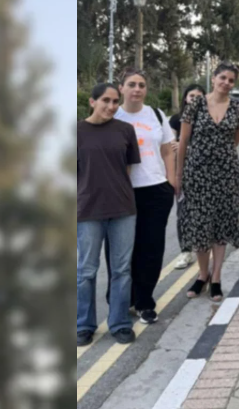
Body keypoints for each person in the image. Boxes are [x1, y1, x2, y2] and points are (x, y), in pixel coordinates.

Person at [176, 63, 239, 303]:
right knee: (199, 226)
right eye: (223, 78)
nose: (226, 83)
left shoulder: (238, 108)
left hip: (227, 175)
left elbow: (234, 141)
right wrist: (179, 176)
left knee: (221, 225)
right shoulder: (195, 105)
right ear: (214, 78)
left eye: (231, 80)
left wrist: (219, 157)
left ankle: (216, 277)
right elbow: (183, 141)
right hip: (197, 175)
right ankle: (202, 274)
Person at [77, 83, 140, 347]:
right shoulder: (76, 132)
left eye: (115, 101)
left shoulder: (125, 130)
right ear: (92, 102)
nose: (111, 106)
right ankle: (83, 325)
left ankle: (120, 323)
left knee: (122, 270)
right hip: (88, 211)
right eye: (106, 100)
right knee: (85, 271)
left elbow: (127, 170)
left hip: (123, 210)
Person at [113, 70, 177, 326]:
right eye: (131, 84)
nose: (137, 89)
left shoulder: (156, 115)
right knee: (122, 250)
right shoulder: (113, 115)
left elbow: (167, 150)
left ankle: (145, 302)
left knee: (151, 249)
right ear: (121, 88)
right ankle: (122, 299)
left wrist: (171, 181)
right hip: (122, 192)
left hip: (155, 189)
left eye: (141, 85)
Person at [169, 84, 205, 270]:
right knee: (183, 213)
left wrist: (187, 148)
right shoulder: (176, 119)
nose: (195, 100)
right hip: (182, 171)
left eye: (199, 96)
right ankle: (186, 251)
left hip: (205, 173)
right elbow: (171, 145)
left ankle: (205, 249)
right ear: (185, 98)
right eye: (192, 96)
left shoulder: (209, 119)